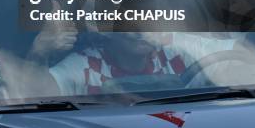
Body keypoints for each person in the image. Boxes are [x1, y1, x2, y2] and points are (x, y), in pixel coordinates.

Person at [48, 32, 240, 96]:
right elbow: (33, 91)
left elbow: (242, 55)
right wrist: (38, 53)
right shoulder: (84, 65)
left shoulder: (176, 48)